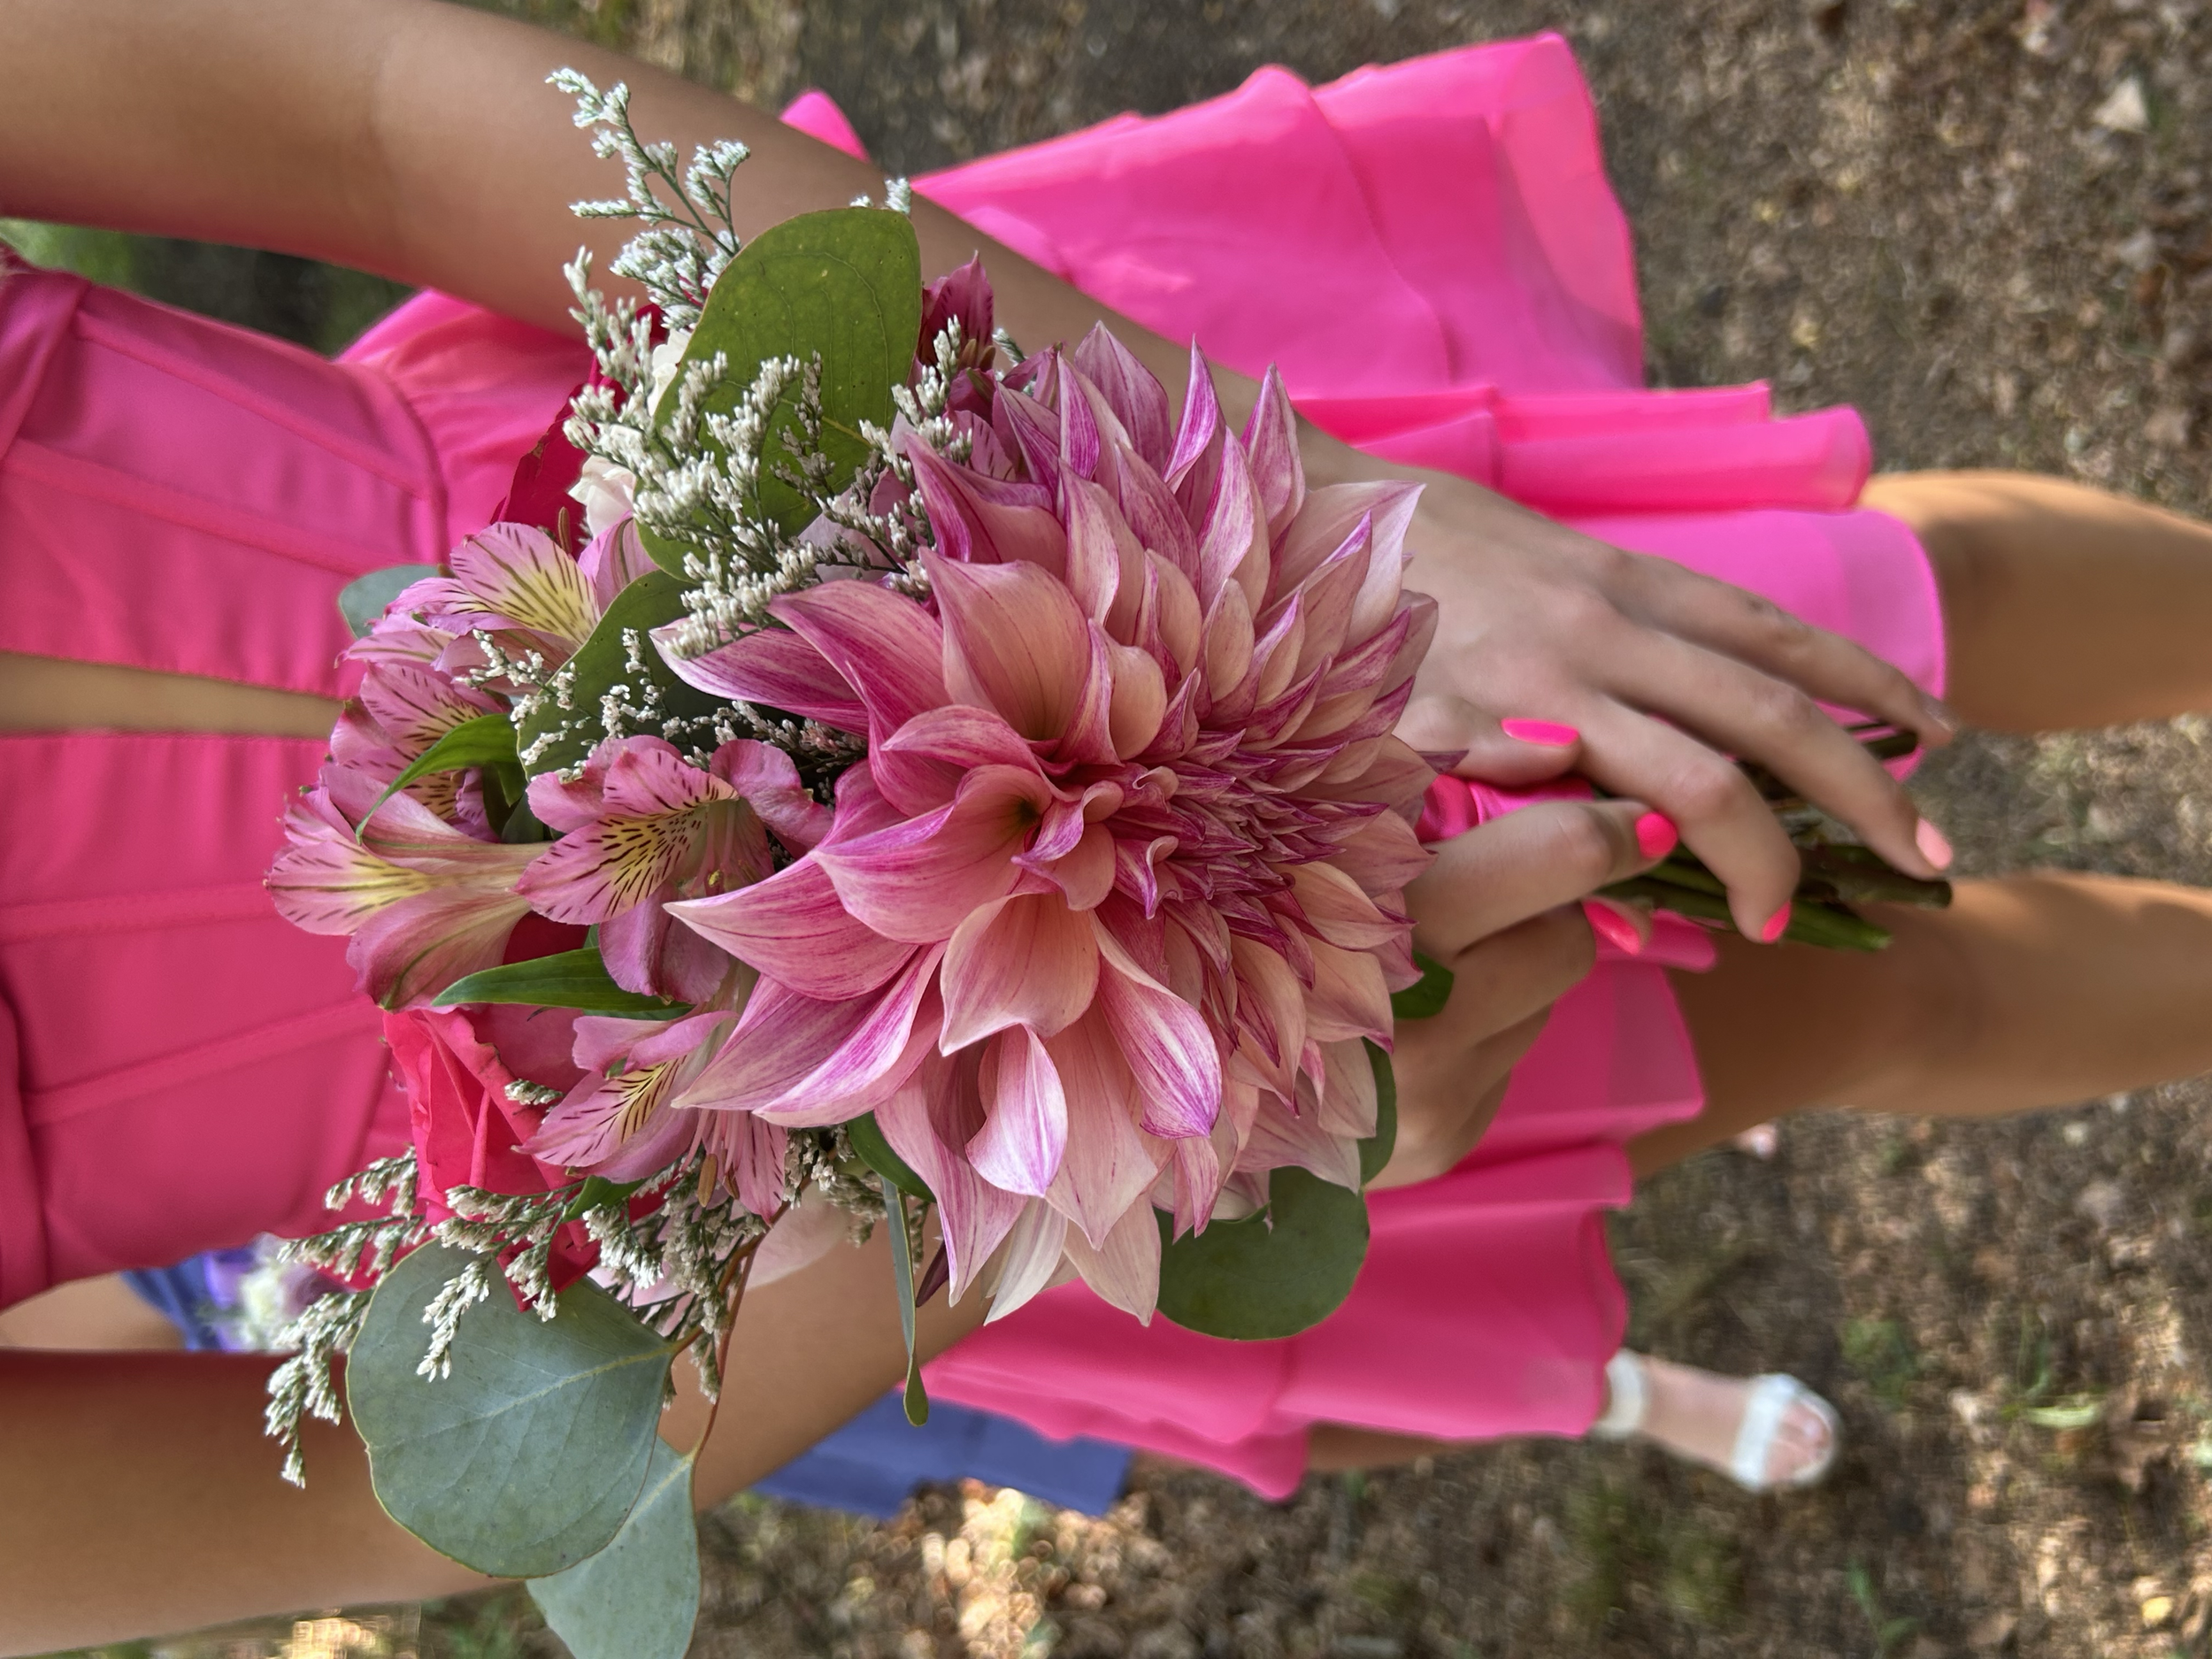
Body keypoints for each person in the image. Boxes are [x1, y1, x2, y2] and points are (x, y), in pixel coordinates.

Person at [0, 2, 2187, 1652]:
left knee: (1872, 610)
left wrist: (1309, 493)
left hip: (960, 466)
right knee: (1872, 1006)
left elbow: (359, 109)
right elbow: (381, 1506)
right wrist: (1125, 1120)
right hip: (900, 1160)